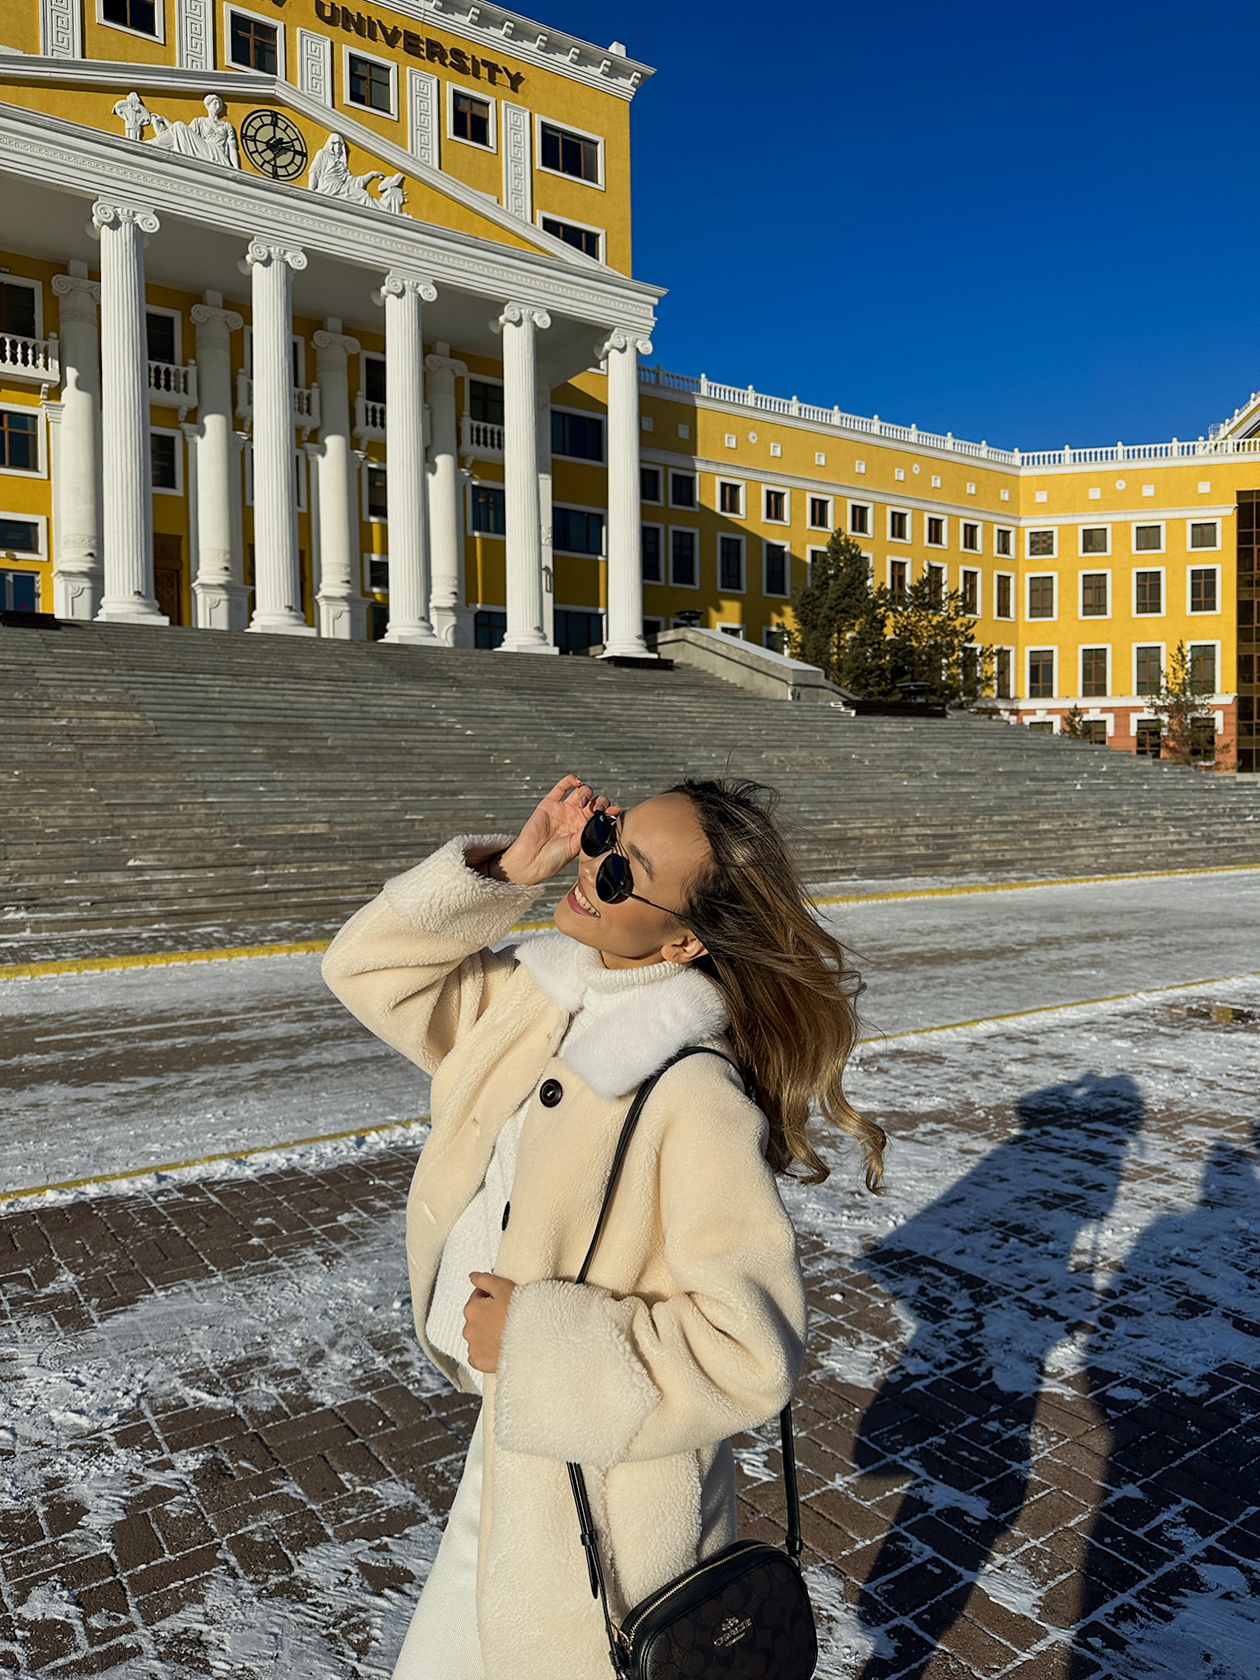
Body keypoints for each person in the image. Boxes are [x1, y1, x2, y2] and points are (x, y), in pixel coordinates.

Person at [322, 774, 884, 1680]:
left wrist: (539, 1338)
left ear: (686, 935)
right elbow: (365, 968)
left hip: (618, 1520)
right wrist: (510, 868)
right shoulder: (534, 1001)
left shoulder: (690, 1094)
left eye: (623, 876)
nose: (594, 872)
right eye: (604, 843)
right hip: (513, 1462)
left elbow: (752, 1351)